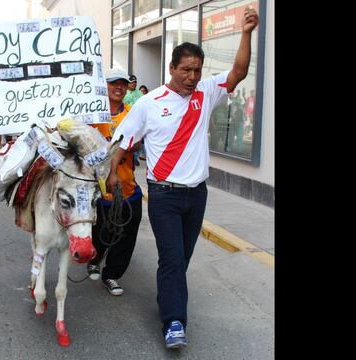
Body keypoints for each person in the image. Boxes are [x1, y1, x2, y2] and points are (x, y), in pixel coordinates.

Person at [106, 7, 259, 349]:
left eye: (197, 70)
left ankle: (169, 298)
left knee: (181, 258)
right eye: (186, 69)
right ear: (171, 68)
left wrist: (246, 33)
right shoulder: (149, 103)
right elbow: (124, 141)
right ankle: (174, 321)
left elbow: (238, 71)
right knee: (173, 259)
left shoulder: (206, 92)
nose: (192, 77)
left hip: (196, 195)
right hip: (163, 196)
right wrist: (114, 172)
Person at [86, 68, 143, 296]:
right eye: (113, 83)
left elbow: (139, 141)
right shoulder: (93, 114)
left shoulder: (133, 113)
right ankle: (94, 257)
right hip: (98, 190)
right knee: (101, 232)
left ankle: (112, 275)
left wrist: (132, 143)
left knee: (126, 234)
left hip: (127, 187)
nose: (118, 87)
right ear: (104, 86)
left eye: (122, 83)